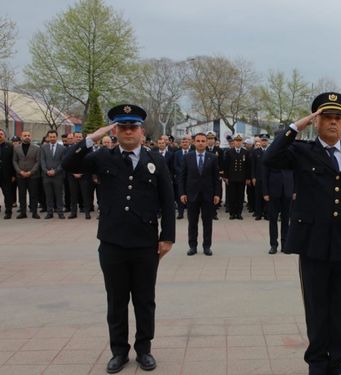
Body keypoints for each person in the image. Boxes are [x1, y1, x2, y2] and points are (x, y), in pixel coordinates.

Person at [263, 92, 341, 375]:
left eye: (338, 118)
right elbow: (270, 157)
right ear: (317, 121)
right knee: (317, 306)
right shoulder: (301, 152)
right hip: (314, 243)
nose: (334, 123)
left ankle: (337, 362)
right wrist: (295, 127)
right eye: (327, 117)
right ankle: (317, 362)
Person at [62, 104, 175, 373]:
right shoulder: (103, 157)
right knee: (116, 300)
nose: (128, 132)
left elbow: (167, 201)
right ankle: (119, 351)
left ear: (142, 131)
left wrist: (167, 237)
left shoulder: (155, 159)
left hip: (146, 243)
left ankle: (144, 349)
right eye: (122, 127)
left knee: (145, 300)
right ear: (115, 130)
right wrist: (92, 137)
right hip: (112, 242)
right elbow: (68, 163)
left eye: (132, 127)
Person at [178, 133, 221, 256]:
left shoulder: (212, 158)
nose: (201, 143)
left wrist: (217, 194)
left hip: (208, 195)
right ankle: (192, 246)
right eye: (198, 141)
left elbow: (216, 178)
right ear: (194, 142)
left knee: (207, 222)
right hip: (191, 195)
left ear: (207, 142)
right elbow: (182, 177)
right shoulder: (187, 157)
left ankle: (207, 246)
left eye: (203, 141)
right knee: (192, 222)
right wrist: (182, 193)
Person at [262, 137, 294, 254]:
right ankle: (273, 245)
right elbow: (264, 175)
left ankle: (285, 244)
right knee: (273, 219)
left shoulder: (291, 152)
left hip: (288, 190)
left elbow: (296, 173)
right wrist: (265, 192)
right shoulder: (270, 153)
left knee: (286, 219)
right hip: (273, 191)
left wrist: (295, 190)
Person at [13, 131, 41, 219]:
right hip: (20, 176)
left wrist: (31, 172)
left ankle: (34, 213)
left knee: (33, 195)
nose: (27, 137)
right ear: (21, 137)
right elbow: (14, 161)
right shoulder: (16, 148)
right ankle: (23, 213)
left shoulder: (36, 148)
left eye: (28, 135)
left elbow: (38, 162)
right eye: (25, 136)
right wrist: (19, 171)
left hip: (33, 176)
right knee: (22, 195)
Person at [223, 134, 250, 220]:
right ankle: (232, 213)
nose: (238, 143)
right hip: (232, 178)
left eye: (239, 141)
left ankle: (239, 213)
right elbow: (226, 166)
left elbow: (247, 167)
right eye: (236, 141)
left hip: (242, 178)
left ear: (242, 142)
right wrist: (226, 177)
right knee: (232, 196)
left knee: (240, 196)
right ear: (234, 142)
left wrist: (247, 178)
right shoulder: (229, 152)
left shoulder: (245, 152)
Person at [40, 130, 66, 219]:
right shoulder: (43, 147)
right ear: (48, 137)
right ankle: (49, 212)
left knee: (59, 195)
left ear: (56, 137)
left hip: (58, 176)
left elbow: (63, 162)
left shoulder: (62, 148)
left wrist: (55, 171)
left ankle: (60, 212)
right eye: (50, 137)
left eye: (53, 137)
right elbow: (42, 161)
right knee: (48, 195)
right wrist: (46, 171)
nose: (52, 138)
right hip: (46, 176)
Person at [251, 135, 269, 220]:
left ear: (267, 142)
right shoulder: (256, 152)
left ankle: (266, 213)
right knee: (258, 196)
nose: (264, 142)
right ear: (260, 142)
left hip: (268, 178)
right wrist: (253, 177)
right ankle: (258, 213)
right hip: (258, 178)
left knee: (267, 196)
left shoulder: (270, 151)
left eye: (265, 141)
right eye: (263, 140)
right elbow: (253, 166)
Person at [0, 129, 16, 219]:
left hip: (7, 175)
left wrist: (13, 175)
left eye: (1, 134)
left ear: (4, 136)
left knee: (7, 194)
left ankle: (8, 211)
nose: (0, 135)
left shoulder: (10, 146)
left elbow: (13, 161)